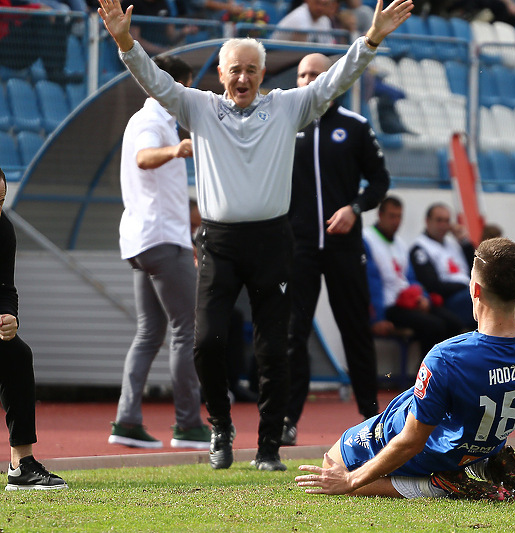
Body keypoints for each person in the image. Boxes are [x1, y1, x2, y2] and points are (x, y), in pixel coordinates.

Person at [97, 0, 414, 471]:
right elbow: (155, 81)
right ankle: (220, 428)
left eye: (251, 70)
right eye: (234, 70)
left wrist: (370, 40)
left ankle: (268, 447)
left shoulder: (287, 107)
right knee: (206, 340)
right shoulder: (199, 107)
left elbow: (335, 79)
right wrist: (125, 41)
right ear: (220, 74)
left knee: (274, 347)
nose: (242, 78)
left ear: (263, 74)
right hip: (219, 243)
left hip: (271, 243)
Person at [294, 237, 515, 500]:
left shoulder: (447, 357)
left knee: (333, 472)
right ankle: (490, 458)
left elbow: (411, 441)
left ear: (475, 290)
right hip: (479, 441)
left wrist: (350, 481)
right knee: (468, 420)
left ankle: (439, 484)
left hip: (425, 448)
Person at [284, 53, 390, 447]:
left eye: (316, 74)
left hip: (345, 247)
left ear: (333, 79)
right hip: (298, 248)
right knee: (293, 334)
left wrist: (354, 208)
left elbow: (380, 180)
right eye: (302, 74)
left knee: (355, 331)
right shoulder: (283, 123)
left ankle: (372, 417)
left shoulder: (355, 126)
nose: (309, 80)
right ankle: (287, 419)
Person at [109, 55, 210, 451]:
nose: (184, 96)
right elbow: (143, 158)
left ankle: (128, 420)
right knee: (187, 330)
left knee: (150, 333)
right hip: (162, 239)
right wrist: (177, 150)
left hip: (141, 239)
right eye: (182, 87)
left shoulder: (147, 119)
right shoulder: (154, 122)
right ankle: (187, 424)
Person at [0, 167, 68, 490]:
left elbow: (5, 288)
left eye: (0, 201)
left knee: (17, 354)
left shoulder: (3, 230)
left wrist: (9, 317)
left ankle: (20, 464)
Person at [364, 196, 462, 370]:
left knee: (454, 323)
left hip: (409, 302)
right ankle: (425, 377)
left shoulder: (400, 244)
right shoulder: (368, 239)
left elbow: (411, 278)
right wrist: (376, 318)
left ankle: (446, 373)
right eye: (391, 216)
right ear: (380, 215)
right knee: (434, 326)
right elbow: (371, 282)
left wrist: (424, 298)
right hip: (389, 306)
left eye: (399, 216)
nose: (396, 221)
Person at [410, 203, 515, 330]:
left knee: (503, 287)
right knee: (495, 292)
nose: (443, 225)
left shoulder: (452, 243)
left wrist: (464, 242)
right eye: (439, 220)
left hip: (470, 292)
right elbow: (433, 285)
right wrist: (465, 285)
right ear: (428, 221)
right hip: (451, 300)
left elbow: (477, 266)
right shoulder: (420, 249)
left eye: (447, 221)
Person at [272, 0, 337, 44]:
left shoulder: (325, 20)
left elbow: (330, 45)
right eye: (317, 2)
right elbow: (301, 53)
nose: (320, 8)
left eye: (324, 4)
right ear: (307, 1)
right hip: (277, 57)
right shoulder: (299, 17)